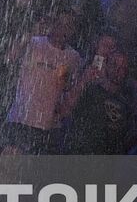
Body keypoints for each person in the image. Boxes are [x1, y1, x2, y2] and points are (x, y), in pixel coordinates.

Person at [5, 11, 84, 153]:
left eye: (68, 26)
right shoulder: (34, 42)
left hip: (49, 127)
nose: (63, 29)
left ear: (73, 30)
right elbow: (10, 57)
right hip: (21, 119)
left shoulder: (74, 57)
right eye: (60, 24)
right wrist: (30, 34)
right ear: (53, 24)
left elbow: (70, 91)